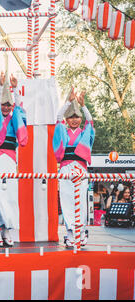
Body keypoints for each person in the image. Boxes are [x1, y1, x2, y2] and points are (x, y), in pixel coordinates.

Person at [0, 69, 28, 247]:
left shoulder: (14, 118)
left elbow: (20, 114)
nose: (5, 107)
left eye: (8, 105)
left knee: (9, 195)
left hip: (10, 159)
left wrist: (15, 90)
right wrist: (1, 85)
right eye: (3, 104)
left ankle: (8, 230)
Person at [53, 88, 95, 248]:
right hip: (65, 169)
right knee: (66, 200)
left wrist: (83, 106)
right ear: (67, 119)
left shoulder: (85, 131)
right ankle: (70, 233)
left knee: (81, 202)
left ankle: (82, 232)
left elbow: (90, 121)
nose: (75, 119)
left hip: (80, 169)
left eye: (77, 116)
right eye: (71, 117)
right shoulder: (62, 130)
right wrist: (68, 102)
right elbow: (58, 118)